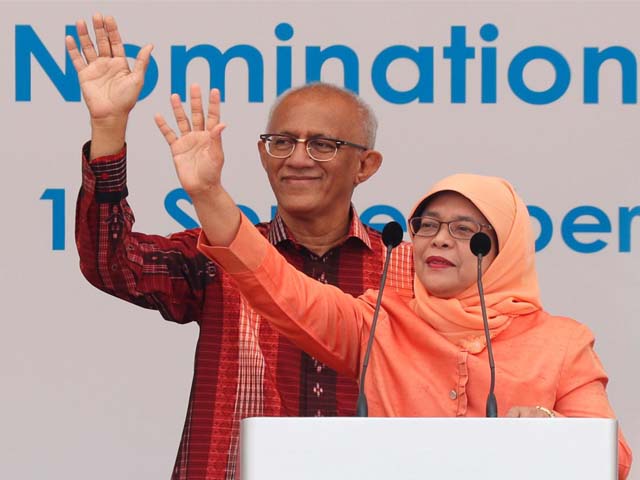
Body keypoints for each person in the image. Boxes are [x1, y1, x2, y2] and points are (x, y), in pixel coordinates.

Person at [164, 105, 632, 476]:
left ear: (503, 247)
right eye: (427, 225)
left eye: (465, 229)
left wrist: (550, 429)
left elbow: (613, 458)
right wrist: (208, 194)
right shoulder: (379, 323)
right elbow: (280, 288)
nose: (441, 238)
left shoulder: (563, 342)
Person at [66, 13, 414, 480]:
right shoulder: (218, 255)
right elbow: (113, 264)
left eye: (323, 145)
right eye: (282, 142)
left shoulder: (409, 272)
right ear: (261, 153)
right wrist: (108, 127)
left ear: (366, 165)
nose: (297, 159)